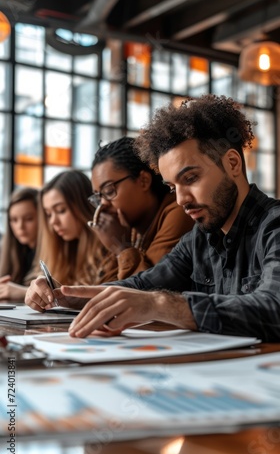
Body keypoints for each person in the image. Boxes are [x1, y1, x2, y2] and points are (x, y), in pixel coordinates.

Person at [25, 94, 280, 342]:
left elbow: (274, 309)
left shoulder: (274, 225)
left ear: (233, 164)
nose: (181, 199)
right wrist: (65, 295)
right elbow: (140, 286)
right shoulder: (198, 240)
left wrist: (159, 304)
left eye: (190, 178)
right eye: (172, 187)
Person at [82, 136, 193, 279]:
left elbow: (149, 291)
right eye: (98, 196)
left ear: (143, 181)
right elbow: (104, 288)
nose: (103, 204)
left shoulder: (179, 213)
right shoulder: (130, 226)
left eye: (109, 191)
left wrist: (121, 248)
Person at [32, 170, 117, 286]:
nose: (53, 222)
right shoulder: (64, 253)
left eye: (61, 210)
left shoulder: (111, 252)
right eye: (49, 214)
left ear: (83, 207)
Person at [0, 187, 38, 300]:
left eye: (28, 219)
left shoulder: (54, 254)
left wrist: (22, 292)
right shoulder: (9, 252)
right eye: (14, 220)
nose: (20, 227)